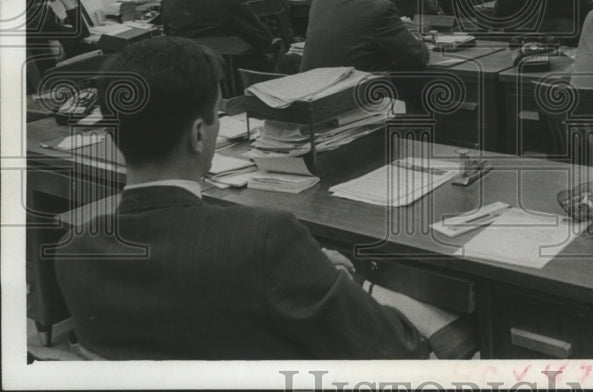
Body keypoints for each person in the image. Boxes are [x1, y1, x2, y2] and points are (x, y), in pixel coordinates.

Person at [53, 36, 431, 359]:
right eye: (218, 115)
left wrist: (308, 274)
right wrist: (332, 281)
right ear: (199, 134)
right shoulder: (265, 240)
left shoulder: (73, 251)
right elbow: (399, 350)